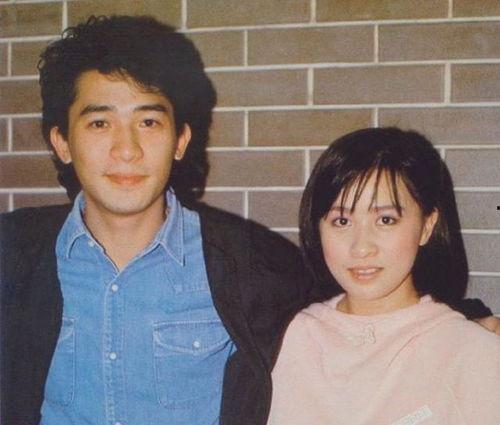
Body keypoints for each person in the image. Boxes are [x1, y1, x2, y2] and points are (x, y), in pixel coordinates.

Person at [0, 16, 495, 425]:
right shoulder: (13, 256)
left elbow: (361, 300)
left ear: (181, 140)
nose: (126, 149)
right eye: (99, 122)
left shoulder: (251, 264)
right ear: (61, 142)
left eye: (149, 121)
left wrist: (465, 324)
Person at [268, 128, 500, 425]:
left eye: (385, 220)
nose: (361, 247)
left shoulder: (472, 353)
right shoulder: (284, 338)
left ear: (427, 226)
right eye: (342, 221)